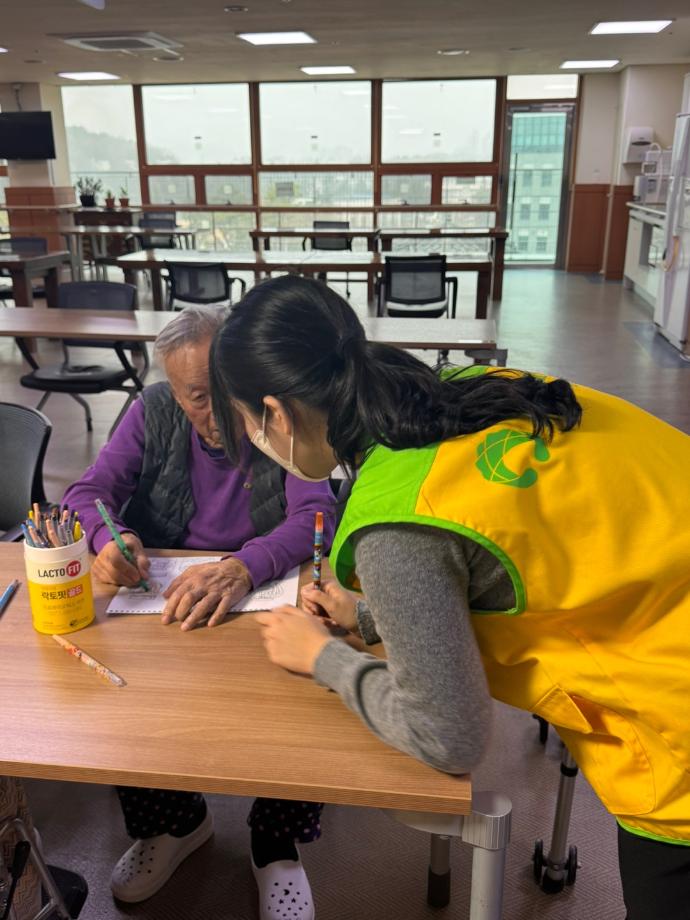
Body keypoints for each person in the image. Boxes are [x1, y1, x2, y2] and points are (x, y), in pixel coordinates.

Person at [208, 274, 690, 920]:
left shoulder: (396, 521)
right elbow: (515, 557)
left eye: (245, 420)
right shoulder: (465, 392)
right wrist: (374, 616)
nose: (253, 436)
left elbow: (448, 735)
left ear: (277, 412)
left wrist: (323, 657)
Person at [63, 304, 336, 919]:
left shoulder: (274, 414)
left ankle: (276, 843)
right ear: (173, 390)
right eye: (197, 398)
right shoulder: (152, 410)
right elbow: (87, 493)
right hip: (167, 595)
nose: (218, 412)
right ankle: (173, 822)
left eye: (224, 389)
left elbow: (317, 513)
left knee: (307, 684)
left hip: (262, 591)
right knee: (122, 685)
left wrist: (244, 566)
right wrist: (110, 539)